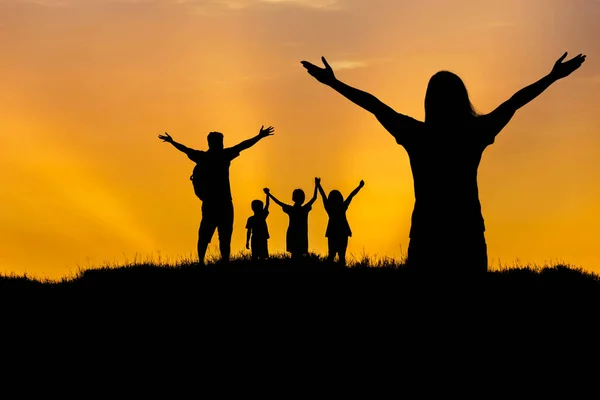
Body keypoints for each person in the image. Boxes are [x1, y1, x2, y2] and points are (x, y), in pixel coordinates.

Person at [301, 52, 586, 274]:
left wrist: (334, 83)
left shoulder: (417, 135)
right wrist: (552, 77)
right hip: (467, 236)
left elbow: (374, 105)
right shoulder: (474, 133)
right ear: (462, 100)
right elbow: (514, 102)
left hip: (427, 237)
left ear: (429, 102)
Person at [158, 126, 274, 265]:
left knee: (205, 233)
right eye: (221, 141)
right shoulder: (224, 155)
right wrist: (259, 136)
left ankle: (202, 261)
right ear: (218, 142)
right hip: (224, 202)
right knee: (223, 235)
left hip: (210, 202)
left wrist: (172, 142)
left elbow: (185, 149)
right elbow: (243, 145)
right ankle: (222, 261)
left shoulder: (202, 157)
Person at [265, 178, 319, 260]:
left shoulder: (291, 209)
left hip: (292, 233)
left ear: (293, 198)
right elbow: (314, 197)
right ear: (303, 198)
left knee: (294, 255)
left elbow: (278, 202)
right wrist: (317, 185)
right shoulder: (304, 209)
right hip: (301, 234)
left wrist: (268, 194)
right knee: (299, 255)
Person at [316, 178, 364, 266]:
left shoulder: (330, 209)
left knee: (332, 255)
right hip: (342, 233)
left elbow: (323, 196)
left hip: (333, 233)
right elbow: (351, 196)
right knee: (341, 256)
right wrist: (359, 187)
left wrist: (318, 185)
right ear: (341, 199)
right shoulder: (342, 207)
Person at [246, 189, 271, 261]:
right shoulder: (262, 216)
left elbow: (249, 231)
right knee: (262, 257)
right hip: (262, 238)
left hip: (255, 239)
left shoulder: (251, 219)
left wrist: (247, 241)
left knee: (255, 256)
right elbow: (267, 204)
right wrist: (267, 194)